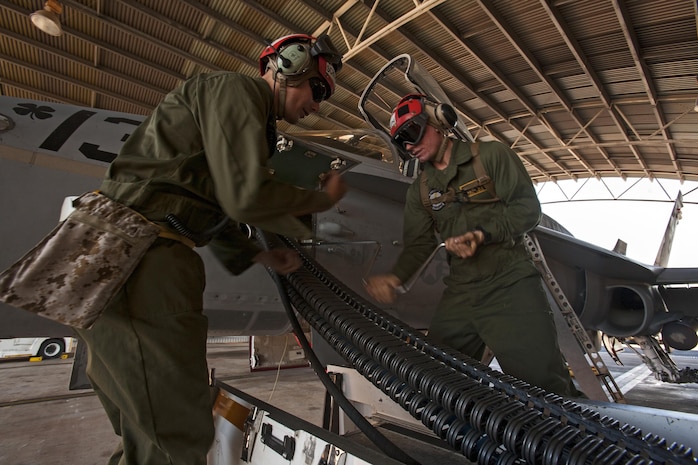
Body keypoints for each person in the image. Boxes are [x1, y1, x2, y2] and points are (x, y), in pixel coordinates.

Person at [73, 33, 347, 465]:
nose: (317, 105)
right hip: (143, 260)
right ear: (288, 64)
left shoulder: (242, 120)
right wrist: (321, 200)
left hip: (120, 256)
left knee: (146, 435)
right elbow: (242, 196)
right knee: (177, 436)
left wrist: (257, 253)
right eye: (317, 89)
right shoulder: (237, 92)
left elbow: (207, 201)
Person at [365, 93, 582, 398]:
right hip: (461, 293)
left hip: (510, 285)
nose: (410, 146)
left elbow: (527, 210)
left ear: (439, 121)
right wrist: (395, 277)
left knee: (545, 389)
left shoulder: (491, 157)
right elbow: (419, 245)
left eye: (412, 132)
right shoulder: (421, 192)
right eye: (402, 142)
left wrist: (482, 235)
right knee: (437, 375)